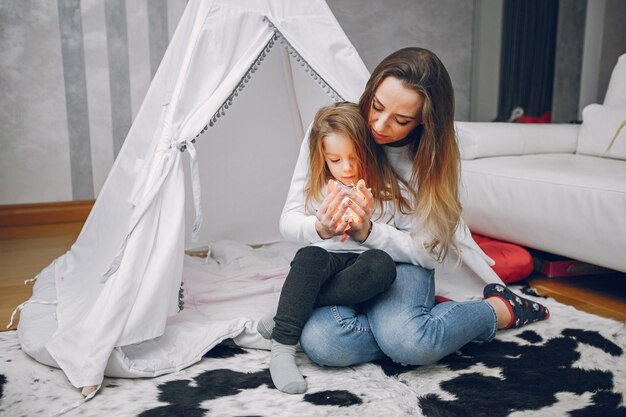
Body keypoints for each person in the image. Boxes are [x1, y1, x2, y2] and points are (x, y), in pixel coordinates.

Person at [280, 47, 550, 370]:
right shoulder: (334, 129)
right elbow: (289, 218)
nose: (379, 125)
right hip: (345, 266)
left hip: (403, 261)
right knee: (323, 343)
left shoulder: (428, 162)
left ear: (423, 122)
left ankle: (498, 309)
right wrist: (319, 228)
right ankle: (417, 325)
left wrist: (370, 232)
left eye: (401, 120)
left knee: (408, 342)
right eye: (377, 106)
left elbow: (430, 253)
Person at [257, 102, 397, 394]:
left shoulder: (385, 185)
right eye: (335, 159)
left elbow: (397, 235)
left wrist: (371, 222)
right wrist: (318, 228)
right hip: (325, 261)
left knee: (382, 264)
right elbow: (288, 223)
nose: (346, 168)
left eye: (355, 157)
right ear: (322, 157)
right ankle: (282, 349)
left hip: (362, 264)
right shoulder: (318, 185)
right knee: (309, 255)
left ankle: (290, 308)